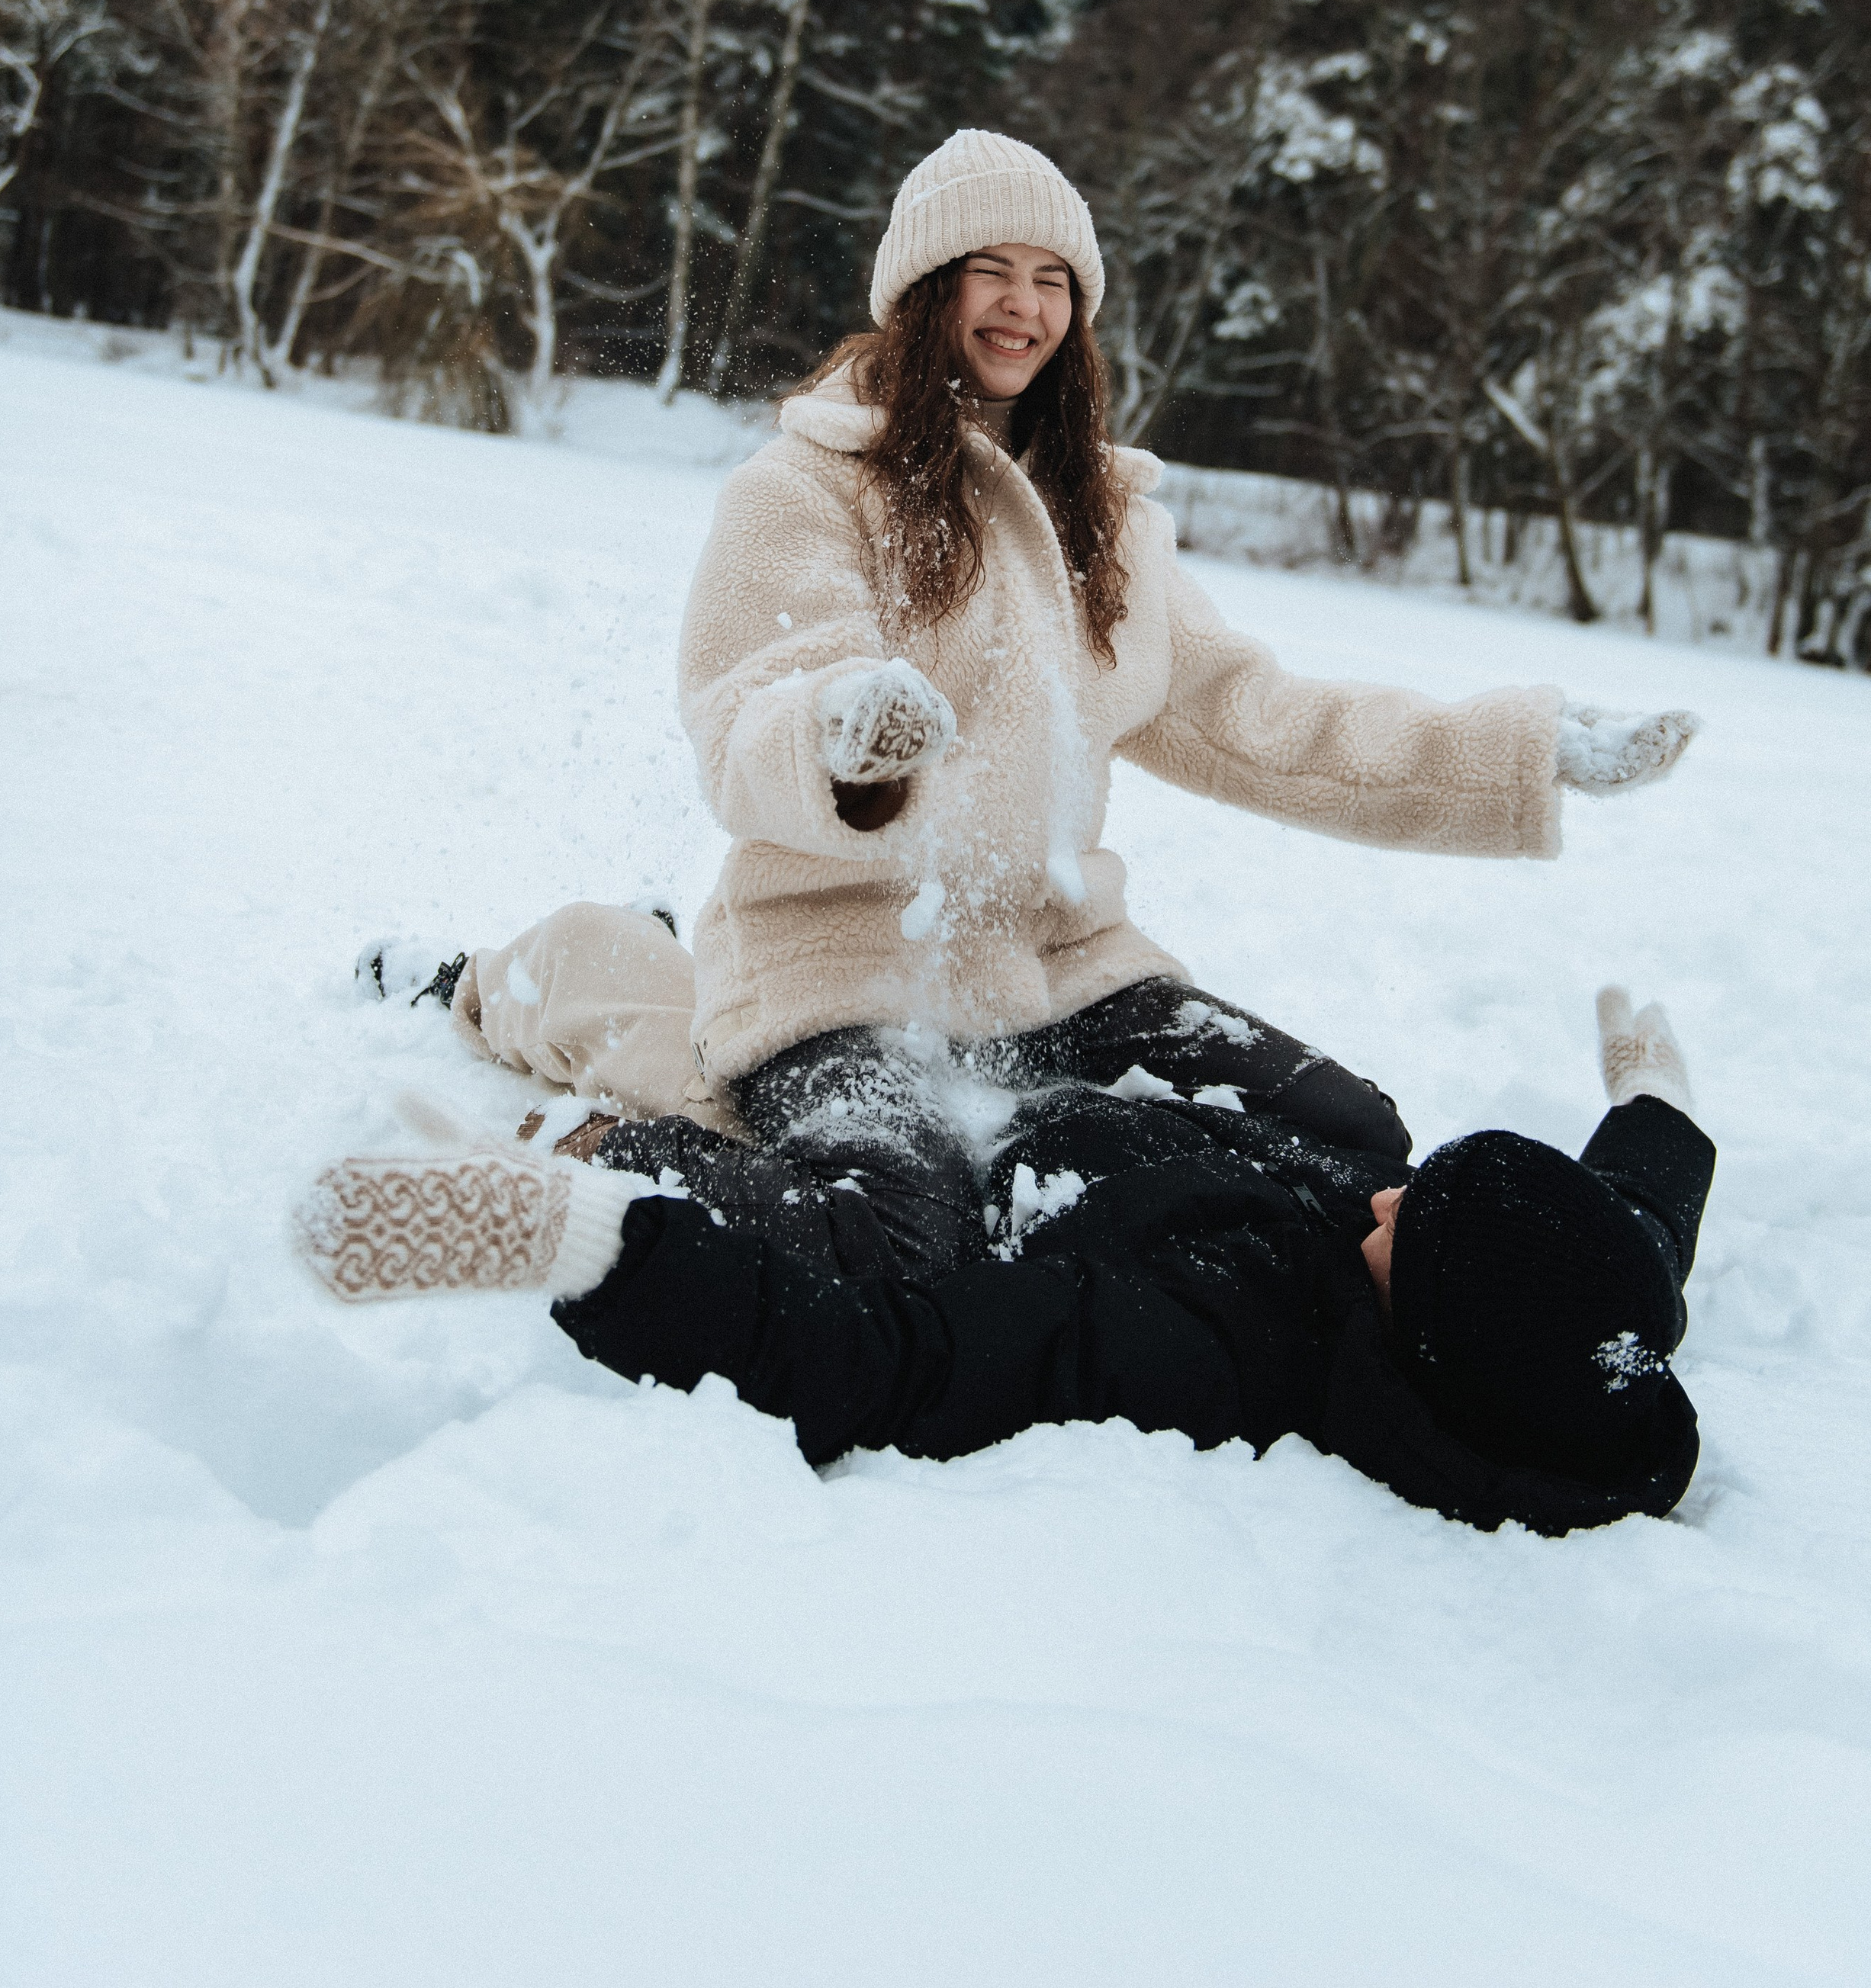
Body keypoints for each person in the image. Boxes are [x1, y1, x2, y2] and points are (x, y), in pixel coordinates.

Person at [448, 127, 1693, 1273]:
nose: (1023, 305)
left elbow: (1256, 717)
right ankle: (645, 1109)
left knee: (1350, 1134)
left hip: (1062, 970)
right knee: (900, 1225)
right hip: (842, 959)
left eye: (1054, 279)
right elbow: (749, 707)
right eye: (989, 269)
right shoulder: (804, 486)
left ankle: (1016, 1144)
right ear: (923, 291)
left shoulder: (1109, 524)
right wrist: (847, 732)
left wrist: (1516, 752)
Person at [296, 985, 1715, 1539]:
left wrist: (604, 1253)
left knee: (794, 1090)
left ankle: (554, 1070)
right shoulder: (1574, 1332)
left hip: (969, 1165)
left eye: (1416, 1221)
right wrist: (1661, 1105)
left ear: (1436, 1321)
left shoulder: (1208, 1347)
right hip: (1110, 1101)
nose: (1393, 1197)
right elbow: (1629, 1220)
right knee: (1361, 1122)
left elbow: (885, 1360)